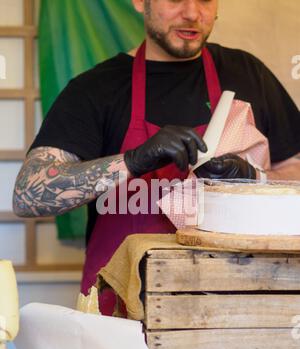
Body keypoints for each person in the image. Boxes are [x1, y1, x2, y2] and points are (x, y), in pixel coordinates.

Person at [13, 0, 300, 314]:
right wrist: (133, 161)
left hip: (228, 311)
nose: (192, 13)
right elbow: (28, 195)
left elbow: (294, 170)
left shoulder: (247, 75)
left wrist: (255, 178)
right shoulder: (96, 89)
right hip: (121, 312)